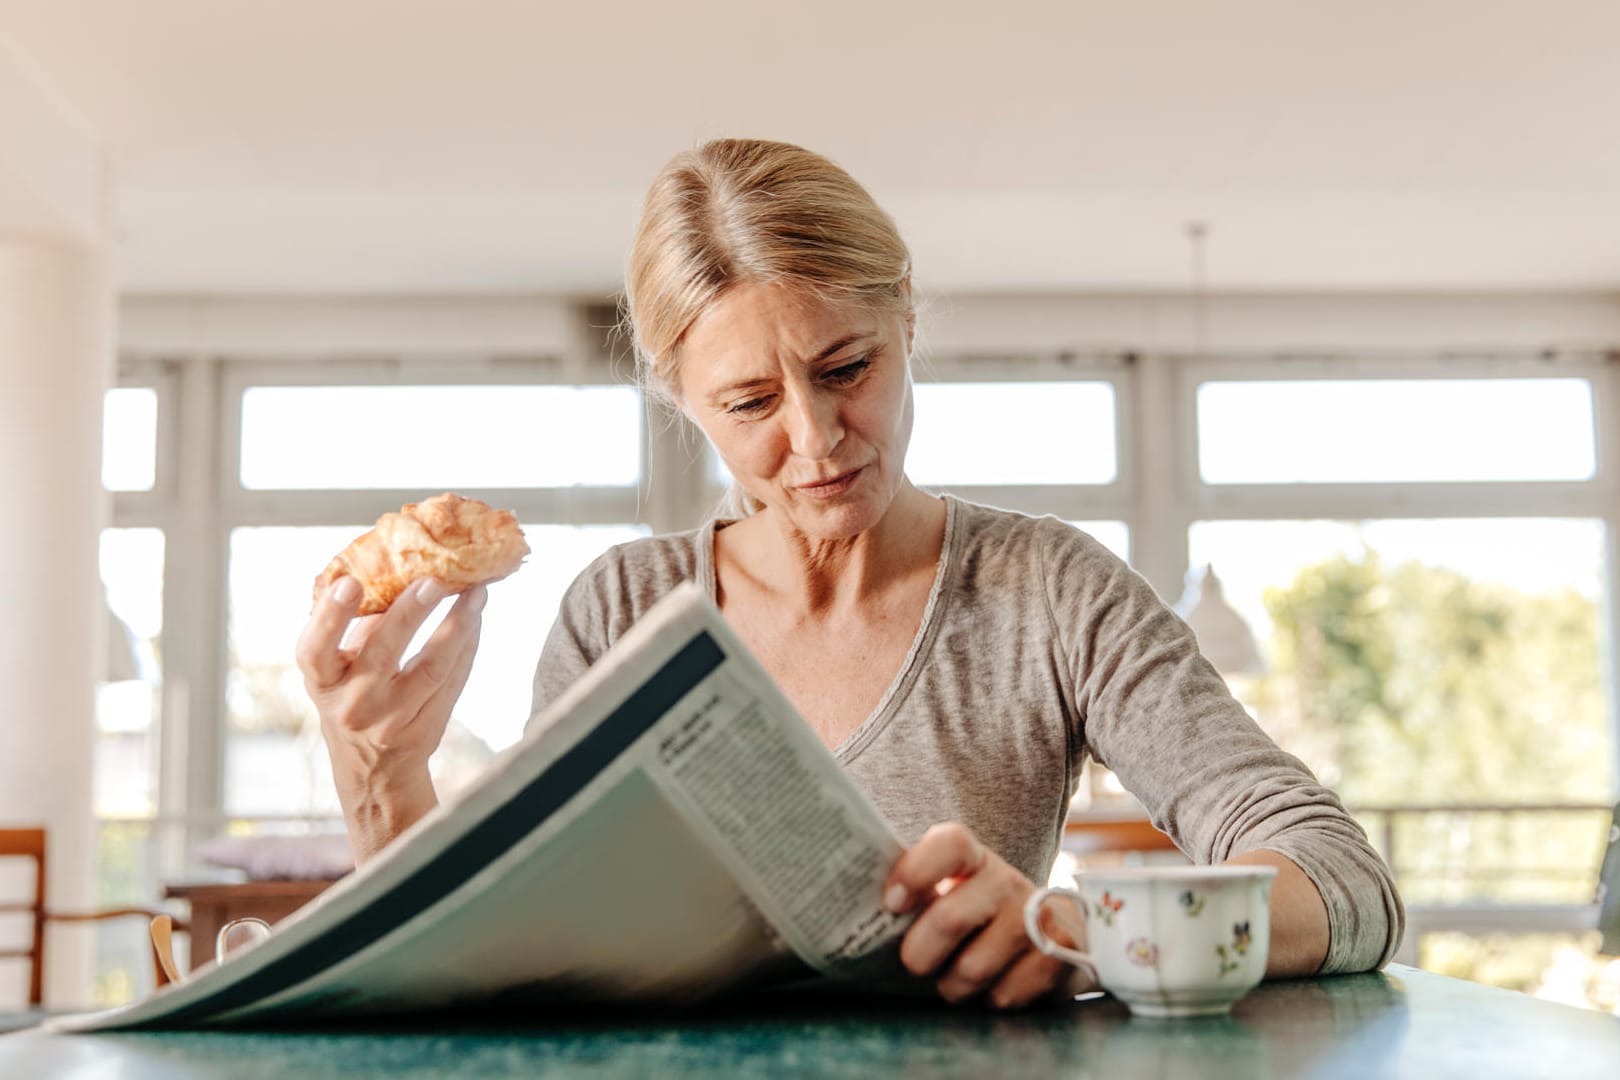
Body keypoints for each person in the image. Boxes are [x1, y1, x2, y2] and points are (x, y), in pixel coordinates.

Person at [297, 138, 1405, 1009]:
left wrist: (1083, 931)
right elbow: (503, 964)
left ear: (907, 322)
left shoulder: (1051, 593)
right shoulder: (624, 610)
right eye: (751, 404)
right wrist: (383, 774)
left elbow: (1345, 884)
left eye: (847, 368)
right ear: (684, 400)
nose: (820, 441)